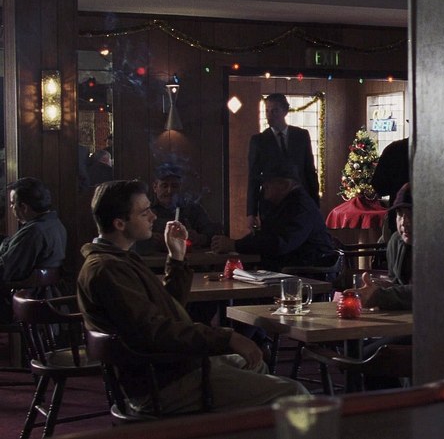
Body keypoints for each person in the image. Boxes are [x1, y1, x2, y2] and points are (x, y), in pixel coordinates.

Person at [77, 180, 306, 414]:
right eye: (144, 212)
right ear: (119, 223)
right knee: (295, 394)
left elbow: (167, 309)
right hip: (162, 382)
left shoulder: (120, 259)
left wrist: (176, 257)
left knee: (255, 363)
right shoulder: (107, 269)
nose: (154, 217)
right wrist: (226, 337)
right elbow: (155, 332)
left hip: (171, 367)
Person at [213, 165, 334, 272]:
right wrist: (237, 244)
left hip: (308, 274)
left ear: (285, 185)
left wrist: (235, 245)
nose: (264, 186)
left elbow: (280, 244)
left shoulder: (300, 207)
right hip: (289, 271)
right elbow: (267, 235)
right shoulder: (285, 204)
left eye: (269, 182)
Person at [247, 93, 319, 233]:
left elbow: (309, 171)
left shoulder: (301, 135)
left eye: (274, 111)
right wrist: (251, 212)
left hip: (299, 201)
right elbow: (253, 177)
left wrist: (314, 204)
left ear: (285, 111)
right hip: (272, 203)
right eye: (267, 111)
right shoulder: (259, 141)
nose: (270, 115)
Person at [0, 178, 67, 320]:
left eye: (12, 204)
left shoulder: (33, 231)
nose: (11, 208)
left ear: (24, 207)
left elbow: (5, 271)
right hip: (45, 296)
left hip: (27, 300)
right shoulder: (54, 223)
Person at [134, 163, 223, 254]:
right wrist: (149, 238)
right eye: (164, 186)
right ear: (155, 187)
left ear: (180, 187)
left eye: (174, 186)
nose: (169, 191)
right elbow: (131, 237)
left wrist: (200, 238)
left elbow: (213, 234)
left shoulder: (193, 209)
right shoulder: (145, 210)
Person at [356, 182, 413, 310]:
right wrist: (383, 286)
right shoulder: (396, 242)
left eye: (411, 212)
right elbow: (401, 286)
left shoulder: (442, 245)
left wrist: (381, 296)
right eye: (400, 213)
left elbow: (429, 292)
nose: (404, 222)